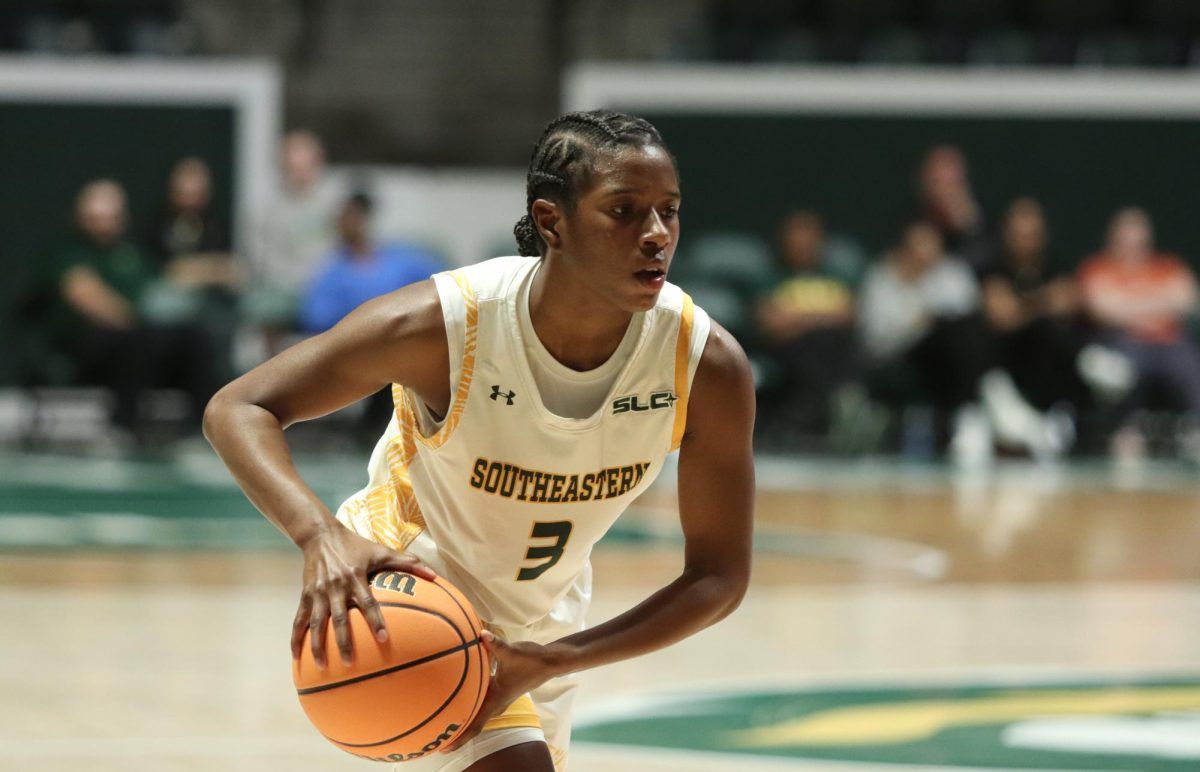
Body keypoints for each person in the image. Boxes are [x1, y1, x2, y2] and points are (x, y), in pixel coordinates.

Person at [204, 110, 755, 772]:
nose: (657, 234)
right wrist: (319, 535)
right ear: (552, 222)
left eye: (669, 210)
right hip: (415, 584)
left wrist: (559, 655)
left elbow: (719, 575)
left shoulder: (705, 365)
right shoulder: (449, 325)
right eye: (624, 210)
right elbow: (239, 406)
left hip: (544, 619)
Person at [40, 179, 223, 438]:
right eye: (96, 216)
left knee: (197, 337)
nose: (103, 222)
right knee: (142, 340)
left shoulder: (131, 253)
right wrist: (140, 321)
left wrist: (217, 268)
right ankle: (124, 425)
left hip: (147, 340)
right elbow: (85, 295)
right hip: (90, 343)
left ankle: (206, 430)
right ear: (81, 217)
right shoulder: (68, 251)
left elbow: (167, 278)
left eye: (110, 216)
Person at [1078, 207, 1200, 446]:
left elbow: (1188, 298)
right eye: (1126, 241)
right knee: (1120, 365)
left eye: (1138, 242)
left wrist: (1130, 305)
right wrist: (1161, 304)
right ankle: (1126, 429)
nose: (1132, 248)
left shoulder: (1167, 266)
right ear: (1113, 240)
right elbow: (1102, 308)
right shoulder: (1098, 267)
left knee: (1190, 361)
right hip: (1125, 342)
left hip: (1171, 343)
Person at [756, 210, 858, 441]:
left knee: (829, 343)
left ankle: (833, 419)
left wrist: (800, 319)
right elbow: (771, 324)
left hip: (833, 348)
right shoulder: (772, 277)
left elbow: (849, 316)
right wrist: (821, 318)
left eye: (808, 242)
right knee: (814, 346)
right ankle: (834, 417)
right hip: (788, 351)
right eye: (796, 241)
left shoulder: (835, 276)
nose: (802, 247)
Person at [982, 197, 1091, 412]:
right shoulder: (993, 268)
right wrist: (1045, 300)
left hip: (1054, 367)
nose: (1026, 242)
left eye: (1032, 235)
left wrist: (1025, 306)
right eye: (1019, 235)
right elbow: (1002, 317)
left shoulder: (1055, 265)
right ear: (1007, 234)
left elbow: (1069, 303)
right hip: (1008, 361)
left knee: (1056, 335)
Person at [298, 192, 443, 335]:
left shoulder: (402, 259)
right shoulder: (332, 274)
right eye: (346, 217)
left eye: (356, 216)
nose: (351, 223)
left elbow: (441, 286)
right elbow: (316, 318)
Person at [917, 145, 995, 274]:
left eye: (952, 183)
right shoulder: (915, 223)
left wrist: (970, 225)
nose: (946, 191)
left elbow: (987, 263)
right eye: (938, 182)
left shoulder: (983, 221)